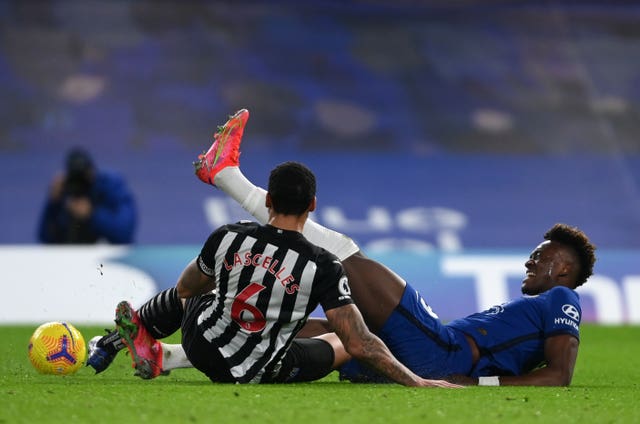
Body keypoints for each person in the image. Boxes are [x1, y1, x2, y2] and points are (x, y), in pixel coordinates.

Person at [89, 109, 596, 387]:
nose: (532, 260)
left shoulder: (561, 301)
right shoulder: (532, 304)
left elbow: (560, 375)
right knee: (284, 323)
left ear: (565, 268)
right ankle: (164, 356)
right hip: (429, 354)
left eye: (543, 254)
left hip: (441, 353)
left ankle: (224, 176)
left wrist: (476, 386)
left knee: (351, 261)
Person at [98, 142, 458, 387]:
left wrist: (223, 277)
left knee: (199, 291)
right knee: (343, 340)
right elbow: (360, 342)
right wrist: (417, 380)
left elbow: (185, 289)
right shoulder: (324, 265)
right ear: (313, 205)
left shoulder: (228, 236)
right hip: (261, 370)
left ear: (267, 199)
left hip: (202, 345)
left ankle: (133, 338)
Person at [37, 147, 137, 244]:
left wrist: (92, 214)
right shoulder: (65, 191)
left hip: (107, 258)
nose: (79, 183)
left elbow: (124, 235)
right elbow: (45, 238)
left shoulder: (110, 185)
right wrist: (53, 204)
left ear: (92, 171)